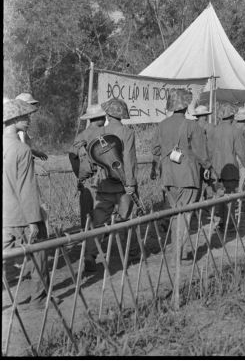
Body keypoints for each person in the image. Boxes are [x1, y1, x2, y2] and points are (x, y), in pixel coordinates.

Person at [3, 99, 58, 307]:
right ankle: (39, 297)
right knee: (40, 252)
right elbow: (26, 188)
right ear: (14, 119)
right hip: (21, 215)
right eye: (24, 117)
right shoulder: (22, 150)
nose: (28, 120)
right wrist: (34, 220)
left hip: (4, 215)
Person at [151, 89, 210, 258]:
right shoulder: (193, 125)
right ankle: (180, 253)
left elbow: (155, 149)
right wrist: (207, 167)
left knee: (176, 214)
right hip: (188, 176)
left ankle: (177, 249)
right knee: (185, 214)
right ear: (186, 106)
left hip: (168, 176)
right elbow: (201, 153)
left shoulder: (162, 125)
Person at [83, 98, 138, 272]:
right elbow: (129, 160)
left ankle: (90, 255)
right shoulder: (127, 133)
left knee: (99, 221)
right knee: (127, 219)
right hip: (122, 186)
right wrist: (131, 184)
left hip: (103, 185)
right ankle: (131, 253)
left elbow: (89, 161)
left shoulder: (98, 133)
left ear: (107, 114)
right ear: (122, 115)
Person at [212, 104, 245, 232]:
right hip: (230, 170)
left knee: (219, 197)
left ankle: (220, 222)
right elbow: (241, 151)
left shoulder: (213, 130)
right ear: (232, 117)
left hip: (216, 170)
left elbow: (208, 150)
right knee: (230, 197)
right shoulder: (234, 131)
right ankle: (229, 224)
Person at [68, 103, 106, 229]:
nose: (105, 119)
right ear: (98, 118)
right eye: (103, 116)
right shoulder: (105, 134)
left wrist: (80, 175)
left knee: (86, 214)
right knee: (101, 214)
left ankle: (87, 241)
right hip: (102, 181)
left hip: (86, 182)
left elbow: (72, 156)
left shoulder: (81, 135)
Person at [14, 92, 48, 162]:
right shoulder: (18, 121)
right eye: (30, 105)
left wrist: (36, 153)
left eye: (32, 105)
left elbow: (24, 145)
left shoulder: (21, 119)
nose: (32, 107)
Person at [194, 104, 216, 200]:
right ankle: (209, 208)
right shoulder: (211, 127)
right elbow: (212, 147)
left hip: (195, 161)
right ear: (205, 116)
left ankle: (194, 210)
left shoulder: (191, 127)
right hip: (208, 160)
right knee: (210, 184)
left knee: (196, 186)